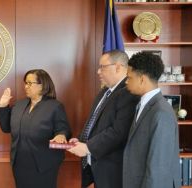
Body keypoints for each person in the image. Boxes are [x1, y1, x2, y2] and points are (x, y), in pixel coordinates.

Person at [67, 50, 139, 188]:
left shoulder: (129, 92)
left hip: (111, 170)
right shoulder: (105, 91)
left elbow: (119, 132)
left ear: (118, 67)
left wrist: (88, 147)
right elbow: (95, 123)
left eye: (102, 67)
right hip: (93, 164)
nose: (98, 72)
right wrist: (81, 140)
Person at [0, 69, 71, 188]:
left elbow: (63, 129)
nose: (26, 86)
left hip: (44, 164)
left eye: (30, 83)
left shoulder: (55, 106)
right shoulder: (19, 105)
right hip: (20, 163)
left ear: (43, 85)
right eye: (25, 83)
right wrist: (3, 106)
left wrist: (61, 135)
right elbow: (6, 128)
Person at [123, 51, 181, 188]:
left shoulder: (161, 112)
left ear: (142, 79)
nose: (126, 82)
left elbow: (158, 167)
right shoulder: (143, 105)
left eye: (129, 78)